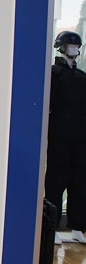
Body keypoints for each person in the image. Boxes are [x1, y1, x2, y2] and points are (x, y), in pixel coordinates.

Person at [45, 30, 86, 244]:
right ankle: (51, 228)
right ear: (61, 47)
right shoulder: (53, 74)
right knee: (56, 179)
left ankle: (78, 226)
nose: (74, 49)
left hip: (80, 135)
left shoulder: (82, 77)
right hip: (59, 133)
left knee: (80, 180)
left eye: (76, 46)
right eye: (71, 46)